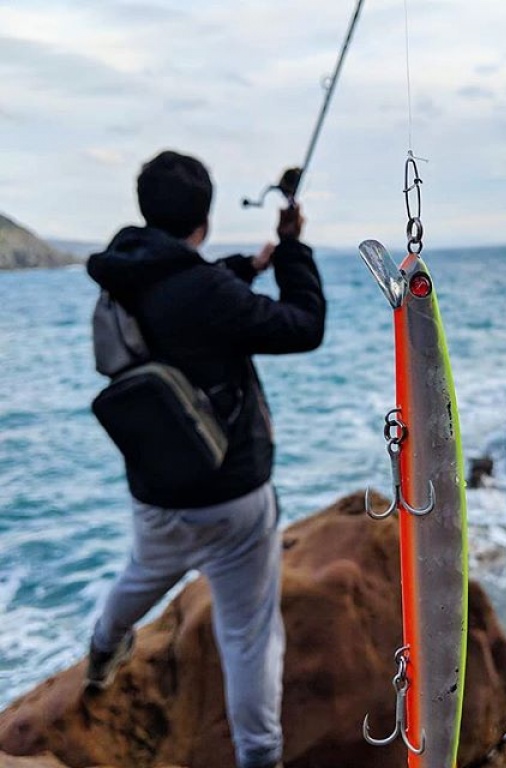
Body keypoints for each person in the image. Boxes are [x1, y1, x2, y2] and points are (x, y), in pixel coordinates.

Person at [85, 149, 326, 768]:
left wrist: (249, 266)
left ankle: (105, 645)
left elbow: (184, 294)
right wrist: (292, 250)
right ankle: (259, 756)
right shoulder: (203, 289)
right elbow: (303, 325)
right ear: (205, 218)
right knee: (248, 634)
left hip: (156, 488)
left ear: (145, 209)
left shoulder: (123, 274)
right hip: (232, 496)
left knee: (140, 573)